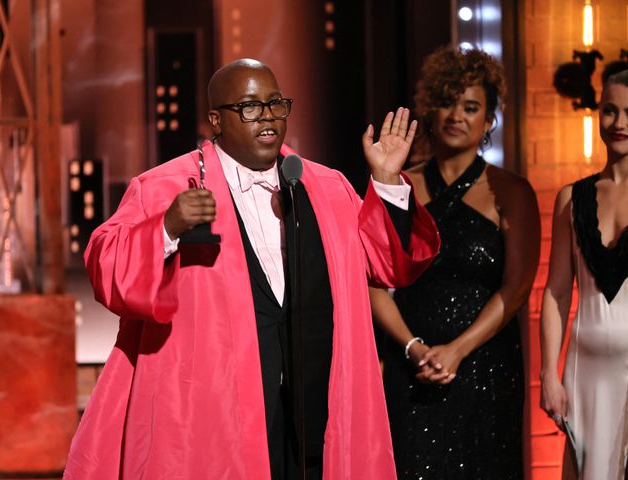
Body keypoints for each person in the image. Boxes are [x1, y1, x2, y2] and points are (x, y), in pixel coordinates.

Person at [63, 58, 440, 479]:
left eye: (275, 104)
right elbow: (107, 270)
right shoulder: (166, 186)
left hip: (314, 414)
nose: (267, 117)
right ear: (215, 120)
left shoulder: (324, 187)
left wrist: (386, 181)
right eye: (249, 107)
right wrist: (166, 227)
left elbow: (387, 263)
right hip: (214, 418)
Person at [371, 46, 540, 479]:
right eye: (446, 102)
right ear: (429, 109)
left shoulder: (512, 191)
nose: (456, 115)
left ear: (489, 119)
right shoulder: (400, 184)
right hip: (412, 365)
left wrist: (457, 351)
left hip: (485, 367)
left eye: (470, 106)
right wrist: (414, 349)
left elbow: (518, 287)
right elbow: (371, 279)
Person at [540, 70, 628, 480]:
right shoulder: (571, 199)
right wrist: (548, 375)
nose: (619, 123)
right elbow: (557, 292)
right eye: (609, 111)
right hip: (586, 371)